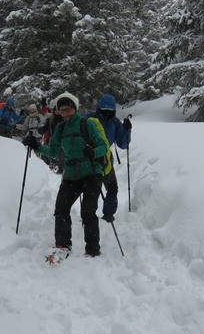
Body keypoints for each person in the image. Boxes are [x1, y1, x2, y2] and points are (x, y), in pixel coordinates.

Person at [23, 93, 108, 260]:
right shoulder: (60, 128)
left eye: (68, 110)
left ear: (75, 108)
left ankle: (92, 250)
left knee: (88, 212)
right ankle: (62, 245)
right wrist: (37, 146)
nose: (65, 114)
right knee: (61, 209)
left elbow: (103, 146)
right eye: (62, 111)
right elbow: (53, 151)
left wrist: (93, 151)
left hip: (91, 173)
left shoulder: (87, 124)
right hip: (71, 174)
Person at [87, 94, 132, 222]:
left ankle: (107, 214)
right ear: (99, 108)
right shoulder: (90, 118)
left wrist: (127, 130)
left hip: (106, 161)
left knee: (112, 188)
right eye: (104, 110)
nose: (107, 113)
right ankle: (89, 216)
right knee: (93, 190)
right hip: (90, 159)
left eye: (110, 111)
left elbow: (123, 144)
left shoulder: (115, 122)